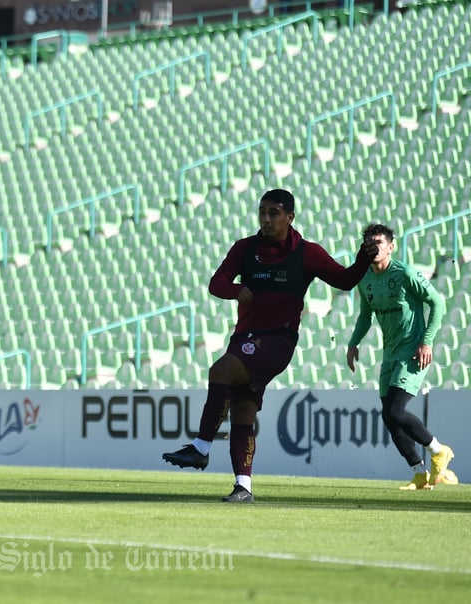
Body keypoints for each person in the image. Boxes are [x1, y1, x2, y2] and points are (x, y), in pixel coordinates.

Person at [162, 189, 378, 503]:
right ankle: (243, 487)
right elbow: (216, 283)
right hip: (244, 338)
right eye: (262, 211)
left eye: (274, 212)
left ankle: (201, 448)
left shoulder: (307, 253)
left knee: (220, 370)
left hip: (278, 340)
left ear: (290, 217)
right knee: (243, 411)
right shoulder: (245, 248)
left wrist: (362, 260)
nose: (266, 218)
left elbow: (344, 281)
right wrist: (236, 290)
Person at [345, 223, 454, 491]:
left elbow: (437, 302)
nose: (374, 247)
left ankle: (439, 450)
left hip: (413, 351)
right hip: (390, 353)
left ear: (391, 246)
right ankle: (419, 473)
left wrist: (426, 342)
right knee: (388, 416)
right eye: (369, 243)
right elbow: (365, 315)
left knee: (395, 410)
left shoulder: (404, 273)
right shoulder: (365, 279)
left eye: (379, 242)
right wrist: (353, 343)